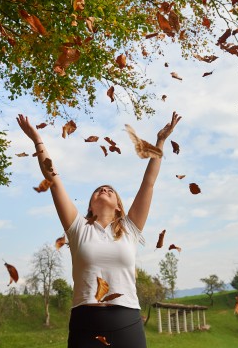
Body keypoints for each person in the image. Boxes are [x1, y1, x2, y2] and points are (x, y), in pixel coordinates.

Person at [16, 112, 181, 348]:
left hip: (127, 323)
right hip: (85, 324)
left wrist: (160, 142)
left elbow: (149, 183)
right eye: (98, 190)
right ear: (90, 204)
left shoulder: (129, 228)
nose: (103, 190)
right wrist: (36, 140)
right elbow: (53, 177)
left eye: (110, 190)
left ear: (118, 207)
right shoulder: (78, 228)